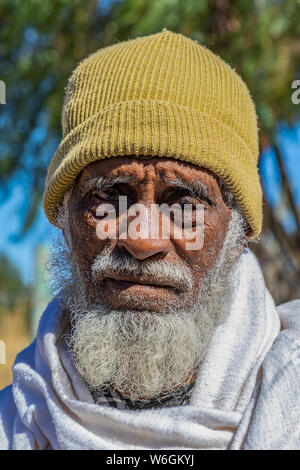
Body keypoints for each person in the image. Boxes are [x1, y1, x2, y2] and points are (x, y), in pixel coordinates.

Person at [0, 29, 299, 450]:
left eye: (185, 203)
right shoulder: (14, 424)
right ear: (64, 219)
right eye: (108, 198)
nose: (142, 239)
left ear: (238, 231)